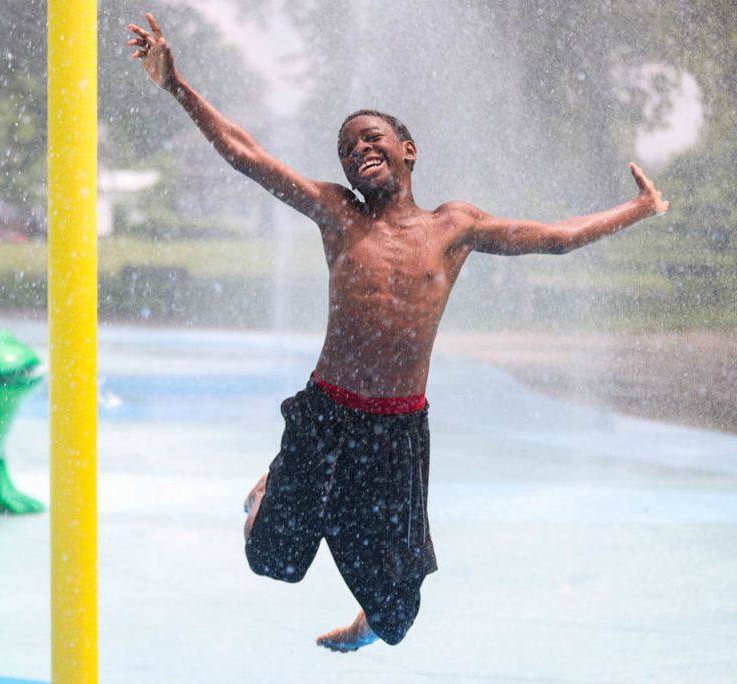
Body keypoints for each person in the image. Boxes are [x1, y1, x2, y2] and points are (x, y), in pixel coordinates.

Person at [127, 12, 669, 652]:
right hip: (327, 410)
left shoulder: (453, 227)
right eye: (348, 149)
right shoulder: (336, 214)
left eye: (371, 138)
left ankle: (362, 615)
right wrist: (176, 84)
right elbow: (248, 156)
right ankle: (273, 484)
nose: (359, 150)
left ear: (408, 150)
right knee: (270, 560)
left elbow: (556, 239)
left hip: (396, 429)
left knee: (395, 621)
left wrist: (639, 207)